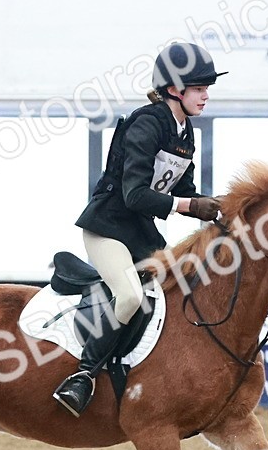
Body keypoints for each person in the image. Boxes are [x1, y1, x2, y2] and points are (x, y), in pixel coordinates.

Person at [53, 42, 225, 417]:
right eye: (198, 88)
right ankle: (83, 375)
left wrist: (224, 207)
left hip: (141, 235)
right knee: (130, 297)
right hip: (108, 228)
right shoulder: (147, 123)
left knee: (179, 290)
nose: (206, 95)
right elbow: (135, 195)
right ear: (173, 90)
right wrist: (191, 206)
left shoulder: (184, 132)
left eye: (206, 88)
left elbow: (183, 191)